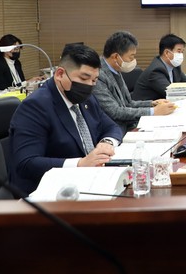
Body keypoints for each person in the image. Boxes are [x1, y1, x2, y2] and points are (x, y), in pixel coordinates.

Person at [8, 44, 122, 195]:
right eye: (84, 78)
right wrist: (80, 164)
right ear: (60, 74)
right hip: (49, 192)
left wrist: (106, 143)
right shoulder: (36, 106)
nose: (89, 86)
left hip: (88, 182)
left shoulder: (86, 99)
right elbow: (27, 163)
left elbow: (112, 127)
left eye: (94, 80)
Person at [93, 31, 176, 134]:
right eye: (131, 57)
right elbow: (115, 112)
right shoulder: (98, 75)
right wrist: (153, 111)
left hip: (128, 124)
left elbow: (128, 103)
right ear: (115, 57)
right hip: (115, 131)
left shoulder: (116, 69)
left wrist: (152, 104)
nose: (133, 60)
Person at [132, 34, 186, 101]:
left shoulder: (175, 67)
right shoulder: (156, 70)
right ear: (166, 53)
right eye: (179, 51)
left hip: (165, 104)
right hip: (147, 106)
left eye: (182, 52)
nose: (181, 55)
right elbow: (171, 92)